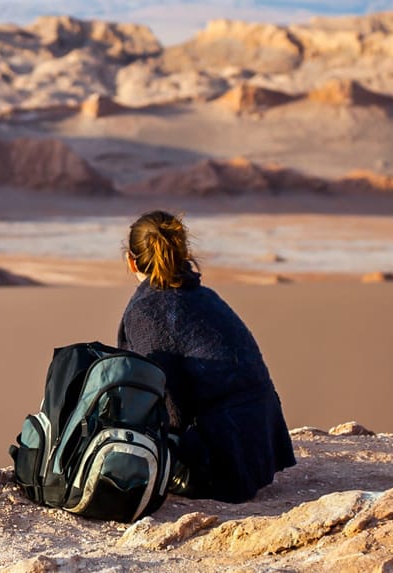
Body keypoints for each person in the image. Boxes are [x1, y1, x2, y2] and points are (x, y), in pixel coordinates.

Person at [116, 210, 296, 503]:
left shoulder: (146, 311)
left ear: (131, 260)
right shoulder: (205, 296)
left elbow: (166, 408)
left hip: (225, 468)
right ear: (182, 252)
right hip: (262, 452)